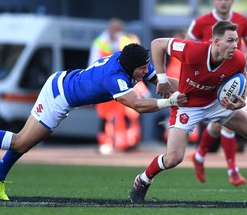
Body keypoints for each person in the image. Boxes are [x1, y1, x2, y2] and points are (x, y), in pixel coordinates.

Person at [129, 20, 247, 204]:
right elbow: (157, 44)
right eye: (230, 40)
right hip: (187, 105)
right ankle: (144, 179)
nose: (234, 45)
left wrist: (241, 99)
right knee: (173, 159)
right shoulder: (192, 50)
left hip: (216, 103)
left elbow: (243, 75)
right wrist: (162, 79)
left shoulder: (237, 58)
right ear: (216, 41)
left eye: (236, 40)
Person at [0, 43, 188, 201]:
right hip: (58, 96)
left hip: (63, 83)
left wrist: (195, 87)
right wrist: (170, 101)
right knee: (20, 142)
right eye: (143, 68)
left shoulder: (130, 61)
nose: (147, 71)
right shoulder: (114, 78)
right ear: (131, 67)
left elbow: (166, 82)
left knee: (22, 143)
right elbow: (138, 105)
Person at [187, 0, 247, 187]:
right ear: (213, 1)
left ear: (231, 0)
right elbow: (187, 46)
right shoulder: (201, 22)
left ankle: (200, 156)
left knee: (223, 121)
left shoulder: (242, 21)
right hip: (210, 78)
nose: (223, 2)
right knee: (224, 120)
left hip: (234, 76)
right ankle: (231, 170)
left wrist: (242, 59)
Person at [89, 18, 145, 154]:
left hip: (121, 82)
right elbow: (93, 63)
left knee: (125, 114)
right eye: (116, 29)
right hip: (103, 82)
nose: (118, 32)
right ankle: (105, 143)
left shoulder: (125, 41)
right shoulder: (100, 42)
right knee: (105, 115)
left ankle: (126, 142)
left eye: (120, 29)